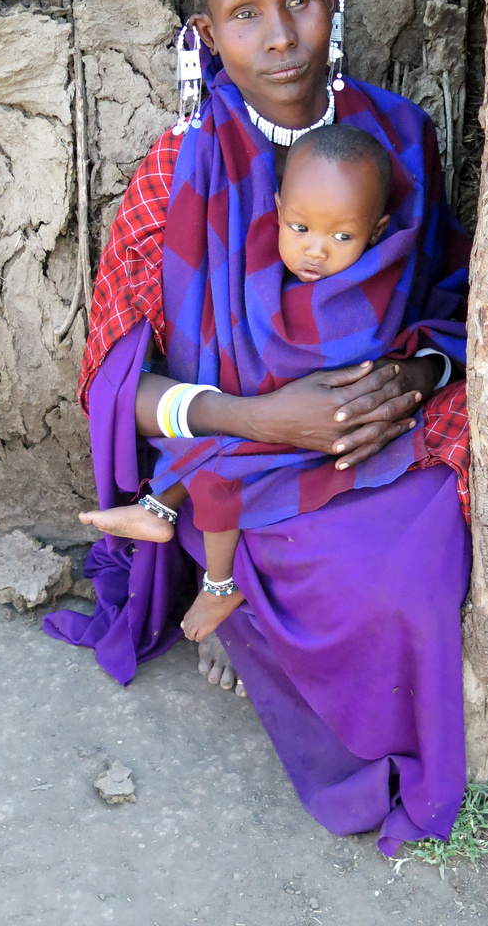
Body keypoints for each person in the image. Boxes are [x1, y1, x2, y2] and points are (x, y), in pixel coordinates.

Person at [44, 0, 473, 856]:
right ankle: (239, 613)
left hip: (376, 441)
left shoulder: (398, 139)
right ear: (205, 35)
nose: (279, 37)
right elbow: (117, 387)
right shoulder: (178, 170)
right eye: (245, 14)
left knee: (417, 561)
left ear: (336, 4)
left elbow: (451, 303)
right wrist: (262, 414)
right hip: (234, 470)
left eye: (299, 2)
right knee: (341, 577)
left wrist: (408, 375)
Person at [79, 124, 398, 645]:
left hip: (319, 440)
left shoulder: (367, 292)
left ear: (377, 231)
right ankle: (158, 508)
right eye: (299, 228)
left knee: (222, 473)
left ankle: (219, 581)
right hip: (265, 419)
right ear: (275, 208)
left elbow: (359, 360)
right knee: (217, 433)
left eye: (342, 237)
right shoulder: (254, 268)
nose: (316, 251)